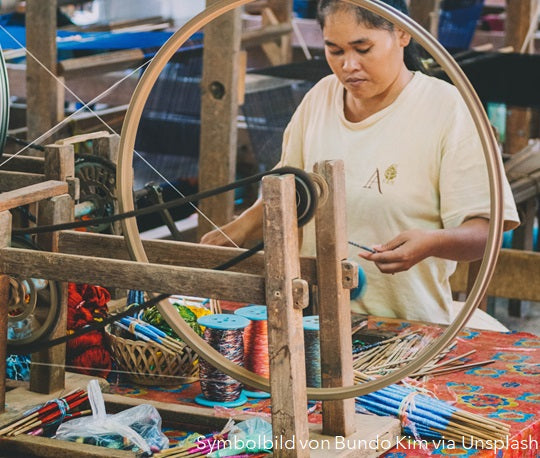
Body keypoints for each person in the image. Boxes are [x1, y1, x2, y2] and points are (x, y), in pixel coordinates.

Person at [201, 0, 519, 325]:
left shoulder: (448, 109)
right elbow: (290, 193)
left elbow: (485, 231)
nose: (348, 65)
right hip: (312, 323)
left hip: (408, 333)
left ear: (402, 33)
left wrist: (430, 243)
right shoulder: (319, 99)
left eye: (362, 48)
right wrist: (235, 231)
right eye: (334, 51)